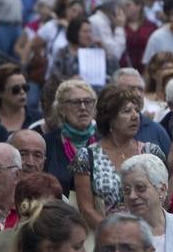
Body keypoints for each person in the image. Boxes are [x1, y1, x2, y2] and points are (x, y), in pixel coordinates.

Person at [70, 86, 165, 231]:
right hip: (107, 236)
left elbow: (163, 198)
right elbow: (86, 209)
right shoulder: (87, 156)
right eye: (127, 111)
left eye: (136, 110)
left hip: (150, 233)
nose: (135, 116)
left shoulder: (150, 152)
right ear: (110, 119)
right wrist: (115, 234)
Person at [43, 79, 99, 195]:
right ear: (62, 109)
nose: (83, 107)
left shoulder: (104, 140)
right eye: (75, 102)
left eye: (88, 101)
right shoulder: (47, 143)